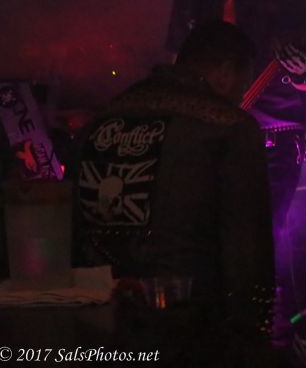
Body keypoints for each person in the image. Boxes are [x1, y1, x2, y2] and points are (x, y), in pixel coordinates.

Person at [165, 0, 306, 326]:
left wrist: (299, 69)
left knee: (262, 234)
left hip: (271, 133)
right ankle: (213, 329)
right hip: (203, 133)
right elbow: (174, 60)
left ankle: (267, 329)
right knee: (203, 236)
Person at [73, 21, 274, 354]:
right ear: (226, 72)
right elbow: (248, 251)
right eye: (243, 84)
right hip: (191, 334)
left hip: (100, 330)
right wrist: (253, 333)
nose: (242, 96)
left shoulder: (99, 121)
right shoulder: (230, 128)